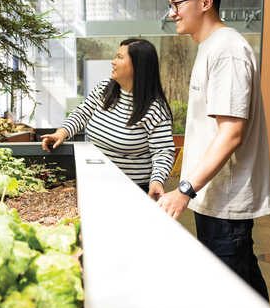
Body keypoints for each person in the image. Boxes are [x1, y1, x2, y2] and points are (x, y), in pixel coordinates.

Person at [158, 0, 270, 301]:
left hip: (227, 203)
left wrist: (184, 189)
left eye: (177, 3)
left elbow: (231, 134)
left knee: (233, 296)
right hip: (212, 199)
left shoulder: (228, 50)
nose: (172, 12)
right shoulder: (210, 47)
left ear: (205, 2)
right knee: (242, 289)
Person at [41, 38, 175, 199]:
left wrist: (157, 180)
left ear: (138, 66)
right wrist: (61, 133)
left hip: (132, 190)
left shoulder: (155, 108)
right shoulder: (104, 88)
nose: (113, 62)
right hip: (96, 181)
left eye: (119, 57)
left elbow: (163, 151)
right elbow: (82, 113)